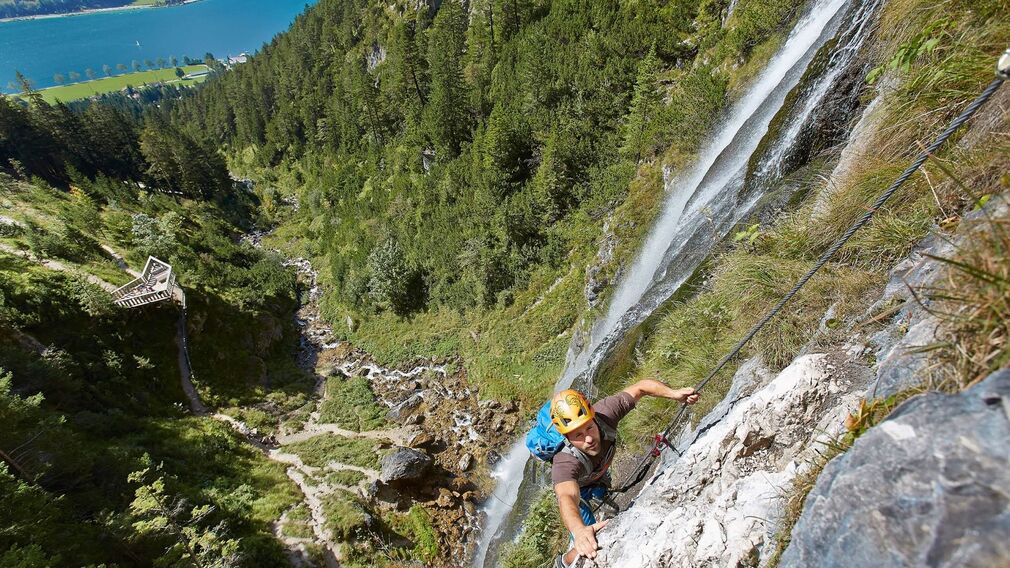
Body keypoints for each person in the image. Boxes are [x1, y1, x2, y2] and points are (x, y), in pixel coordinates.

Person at [551, 381, 699, 568]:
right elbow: (567, 496)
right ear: (567, 438)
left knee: (602, 495)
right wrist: (579, 531)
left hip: (598, 477)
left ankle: (602, 499)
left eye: (589, 427)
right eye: (578, 435)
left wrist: (675, 393)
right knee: (590, 541)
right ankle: (564, 562)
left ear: (593, 417)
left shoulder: (606, 413)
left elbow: (641, 387)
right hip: (580, 493)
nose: (588, 438)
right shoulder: (564, 462)